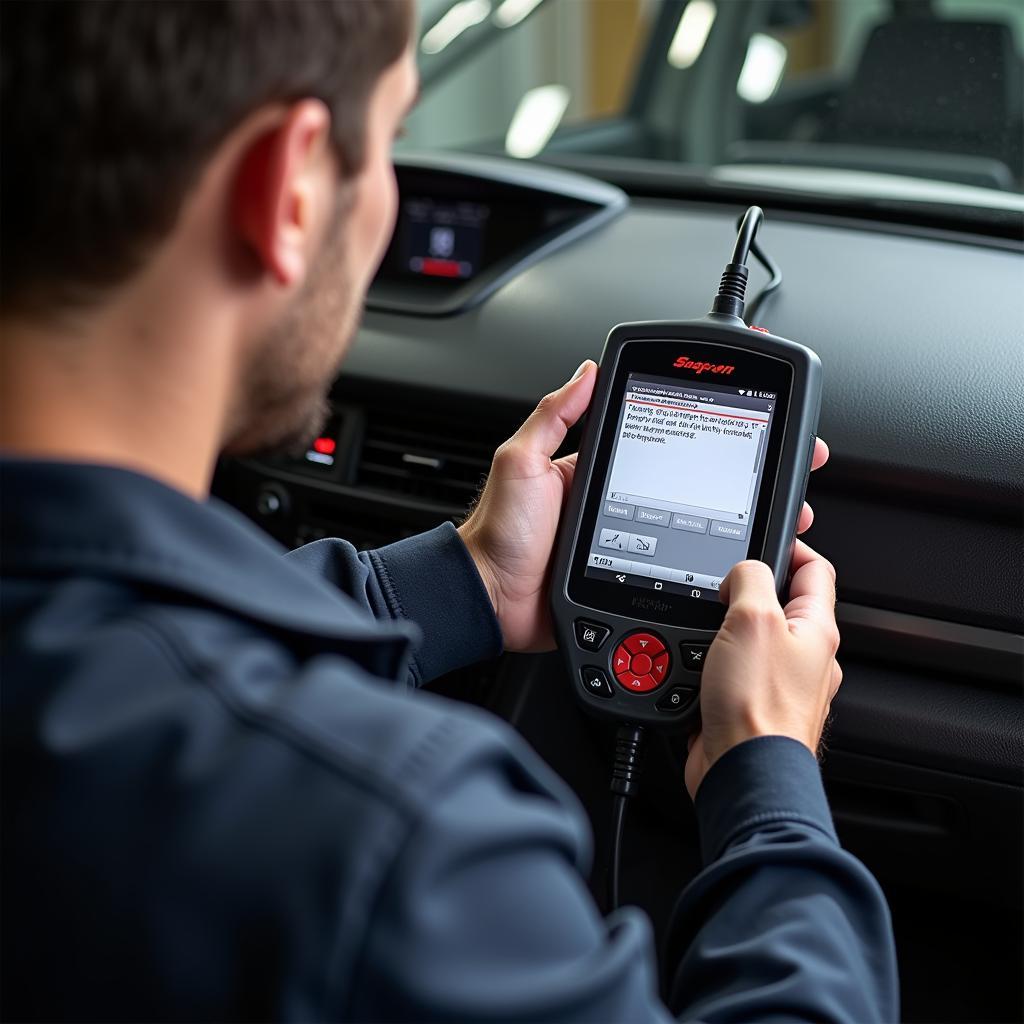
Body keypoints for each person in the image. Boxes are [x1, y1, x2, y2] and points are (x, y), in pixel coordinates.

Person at [0, 2, 898, 1021]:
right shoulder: (401, 845)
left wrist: (466, 576)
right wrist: (771, 779)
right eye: (390, 139)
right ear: (285, 186)